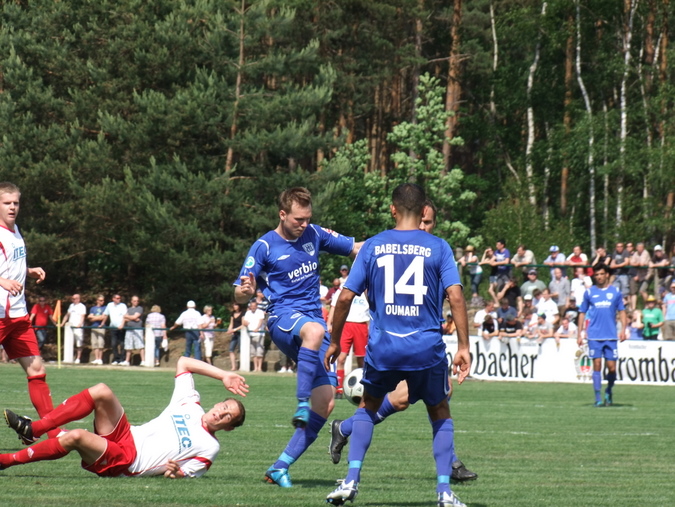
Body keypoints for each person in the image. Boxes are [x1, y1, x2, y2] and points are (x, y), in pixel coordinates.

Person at [324, 184, 471, 507]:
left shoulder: (373, 246)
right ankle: (444, 492)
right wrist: (464, 346)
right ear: (422, 212)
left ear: (393, 209)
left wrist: (334, 341)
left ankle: (350, 481)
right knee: (439, 409)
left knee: (368, 407)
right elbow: (456, 296)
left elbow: (345, 297)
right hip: (426, 347)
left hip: (384, 346)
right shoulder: (439, 247)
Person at [233, 187, 360, 488]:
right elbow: (238, 292)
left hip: (312, 323)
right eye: (298, 219)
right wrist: (245, 291)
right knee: (315, 331)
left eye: (307, 219)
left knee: (326, 403)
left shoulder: (314, 234)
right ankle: (301, 403)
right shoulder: (264, 246)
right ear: (282, 214)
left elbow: (356, 247)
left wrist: (394, 242)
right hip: (282, 318)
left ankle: (280, 467)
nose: (304, 224)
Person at [1, 357, 248, 477]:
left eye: (229, 417)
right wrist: (224, 375)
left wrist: (176, 472)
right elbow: (183, 362)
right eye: (225, 406)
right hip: (127, 434)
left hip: (128, 461)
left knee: (76, 436)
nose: (222, 413)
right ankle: (35, 429)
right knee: (101, 391)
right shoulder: (190, 403)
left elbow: (186, 473)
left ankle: (6, 460)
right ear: (218, 402)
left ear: (228, 428)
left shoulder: (210, 447)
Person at [0, 182, 61, 442]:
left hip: (19, 316)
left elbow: (9, 264)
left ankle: (52, 432)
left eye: (16, 203)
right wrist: (2, 282)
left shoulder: (14, 230)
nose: (12, 207)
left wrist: (28, 270)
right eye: (7, 203)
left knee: (36, 369)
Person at [578, 264, 627, 407]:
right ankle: (598, 397)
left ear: (606, 275)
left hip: (610, 335)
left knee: (612, 367)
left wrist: (623, 329)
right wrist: (579, 334)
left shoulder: (615, 292)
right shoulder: (589, 292)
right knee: (597, 364)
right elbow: (582, 312)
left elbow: (622, 311)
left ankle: (609, 391)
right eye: (596, 274)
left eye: (601, 274)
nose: (599, 277)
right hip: (594, 335)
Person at [326, 285, 370, 396]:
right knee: (341, 358)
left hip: (361, 325)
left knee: (362, 360)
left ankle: (363, 388)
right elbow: (334, 305)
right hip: (345, 325)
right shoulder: (344, 287)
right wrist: (329, 323)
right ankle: (339, 388)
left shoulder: (367, 287)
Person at [62, 293, 87, 364]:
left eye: (74, 299)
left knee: (79, 343)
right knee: (69, 342)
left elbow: (83, 316)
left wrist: (80, 324)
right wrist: (62, 323)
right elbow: (67, 315)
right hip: (70, 326)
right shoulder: (71, 306)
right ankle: (69, 357)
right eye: (72, 299)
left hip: (78, 327)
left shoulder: (82, 306)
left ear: (78, 299)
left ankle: (78, 358)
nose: (73, 300)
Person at [104, 294, 127, 365]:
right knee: (113, 344)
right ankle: (116, 359)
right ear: (113, 299)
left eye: (119, 298)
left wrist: (122, 324)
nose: (118, 299)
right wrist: (102, 323)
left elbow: (125, 316)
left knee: (122, 344)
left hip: (121, 327)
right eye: (117, 298)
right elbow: (106, 314)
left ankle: (122, 359)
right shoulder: (109, 305)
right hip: (113, 327)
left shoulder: (123, 305)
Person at [243, 300, 266, 372]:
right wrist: (245, 323)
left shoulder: (260, 312)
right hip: (251, 334)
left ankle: (259, 368)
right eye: (251, 306)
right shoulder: (248, 313)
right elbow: (245, 321)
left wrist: (257, 328)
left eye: (254, 306)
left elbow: (261, 321)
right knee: (253, 352)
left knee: (259, 351)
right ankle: (255, 368)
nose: (253, 307)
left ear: (256, 306)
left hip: (259, 334)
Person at [121, 295, 144, 366]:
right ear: (131, 301)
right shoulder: (129, 309)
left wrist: (129, 317)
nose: (136, 302)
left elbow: (134, 317)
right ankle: (127, 361)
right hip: (129, 329)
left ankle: (143, 361)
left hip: (137, 329)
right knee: (128, 346)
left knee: (140, 345)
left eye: (137, 301)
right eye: (134, 301)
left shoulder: (139, 308)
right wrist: (132, 318)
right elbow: (125, 318)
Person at [87, 295, 107, 365]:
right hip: (94, 326)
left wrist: (94, 317)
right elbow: (89, 318)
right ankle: (96, 358)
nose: (102, 302)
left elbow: (103, 317)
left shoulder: (105, 308)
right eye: (101, 300)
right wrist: (98, 317)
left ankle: (100, 359)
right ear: (97, 301)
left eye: (103, 300)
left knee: (100, 343)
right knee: (94, 343)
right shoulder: (93, 308)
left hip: (101, 327)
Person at [226, 303, 244, 370]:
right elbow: (231, 323)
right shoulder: (232, 313)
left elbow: (243, 324)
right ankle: (233, 366)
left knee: (240, 350)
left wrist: (234, 329)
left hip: (240, 333)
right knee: (231, 349)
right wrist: (229, 330)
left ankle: (241, 366)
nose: (234, 307)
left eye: (236, 305)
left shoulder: (243, 313)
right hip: (234, 334)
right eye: (234, 305)